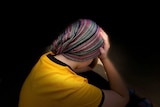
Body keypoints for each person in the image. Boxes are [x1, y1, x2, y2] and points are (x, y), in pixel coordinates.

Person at [18, 19, 152, 107]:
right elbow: (122, 98)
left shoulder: (47, 58)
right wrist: (105, 58)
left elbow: (86, 67)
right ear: (89, 55)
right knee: (122, 95)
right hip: (113, 97)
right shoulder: (73, 89)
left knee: (92, 77)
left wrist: (91, 46)